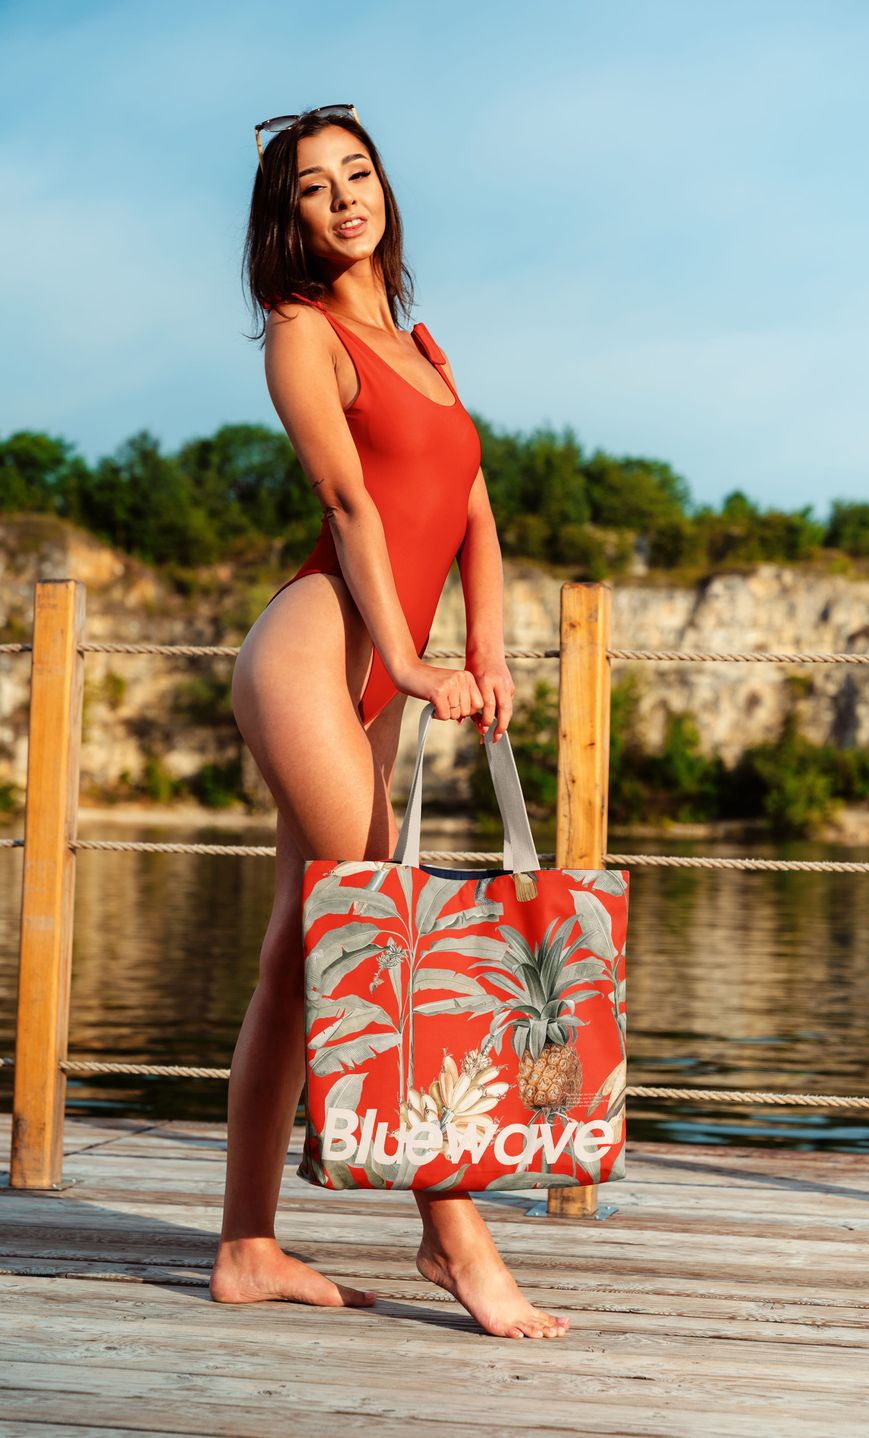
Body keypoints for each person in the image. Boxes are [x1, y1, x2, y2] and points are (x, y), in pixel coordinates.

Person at [212, 105, 566, 1340]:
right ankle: (452, 1230)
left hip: (394, 663)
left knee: (295, 954)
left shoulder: (421, 342)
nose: (344, 198)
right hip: (314, 653)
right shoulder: (302, 334)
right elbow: (351, 504)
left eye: (357, 174)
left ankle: (249, 1243)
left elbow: (471, 508)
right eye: (315, 187)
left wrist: (484, 647)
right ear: (290, 219)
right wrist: (408, 665)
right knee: (382, 945)